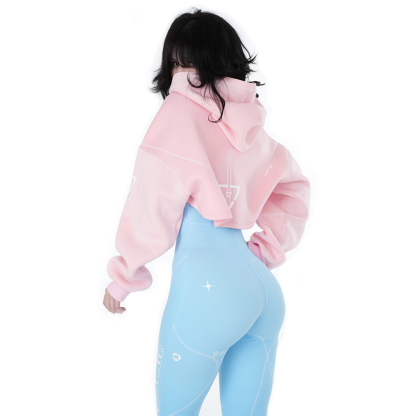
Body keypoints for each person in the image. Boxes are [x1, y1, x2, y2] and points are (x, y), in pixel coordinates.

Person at [103, 8, 311, 416]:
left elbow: (153, 197)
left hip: (207, 290)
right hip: (263, 292)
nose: (181, 74)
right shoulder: (252, 123)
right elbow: (294, 186)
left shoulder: (178, 112)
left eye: (182, 62)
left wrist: (124, 276)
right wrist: (266, 249)